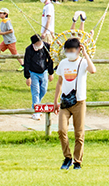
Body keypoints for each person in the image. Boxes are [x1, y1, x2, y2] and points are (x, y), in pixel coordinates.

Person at [53, 38, 96, 170]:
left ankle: (77, 161)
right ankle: (67, 157)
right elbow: (60, 81)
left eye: (72, 51)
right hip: (65, 102)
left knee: (79, 133)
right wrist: (55, 100)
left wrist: (86, 54)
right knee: (61, 130)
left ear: (78, 50)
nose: (70, 53)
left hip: (79, 101)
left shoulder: (83, 62)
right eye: (67, 51)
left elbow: (93, 70)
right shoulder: (63, 63)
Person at [24, 34, 55, 120]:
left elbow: (50, 59)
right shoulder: (29, 50)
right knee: (36, 92)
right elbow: (26, 63)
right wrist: (27, 77)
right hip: (33, 73)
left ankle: (35, 105)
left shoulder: (46, 46)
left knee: (43, 90)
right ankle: (36, 112)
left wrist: (50, 73)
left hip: (44, 72)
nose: (39, 44)